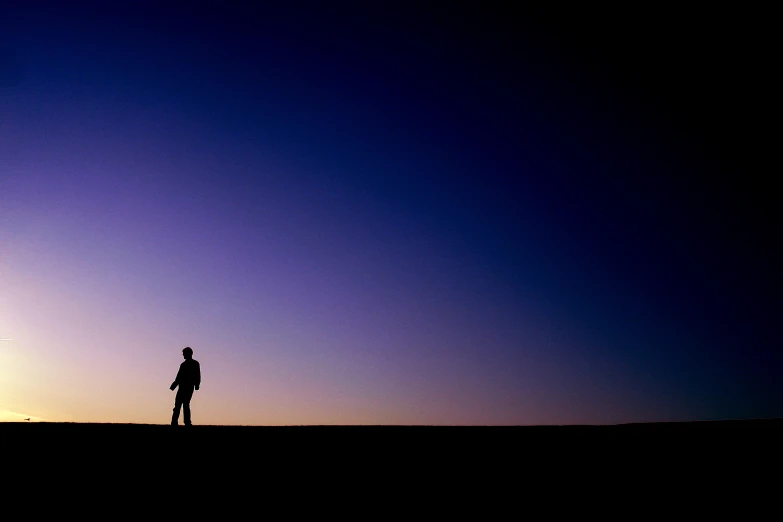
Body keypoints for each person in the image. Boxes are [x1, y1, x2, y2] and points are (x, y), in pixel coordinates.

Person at [170, 347, 201, 426]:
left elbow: (197, 375)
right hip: (182, 387)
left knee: (185, 404)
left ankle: (186, 422)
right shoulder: (183, 365)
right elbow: (179, 376)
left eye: (184, 353)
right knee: (178, 404)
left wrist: (197, 384)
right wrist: (174, 385)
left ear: (188, 354)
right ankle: (175, 422)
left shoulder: (195, 364)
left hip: (188, 387)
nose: (183, 355)